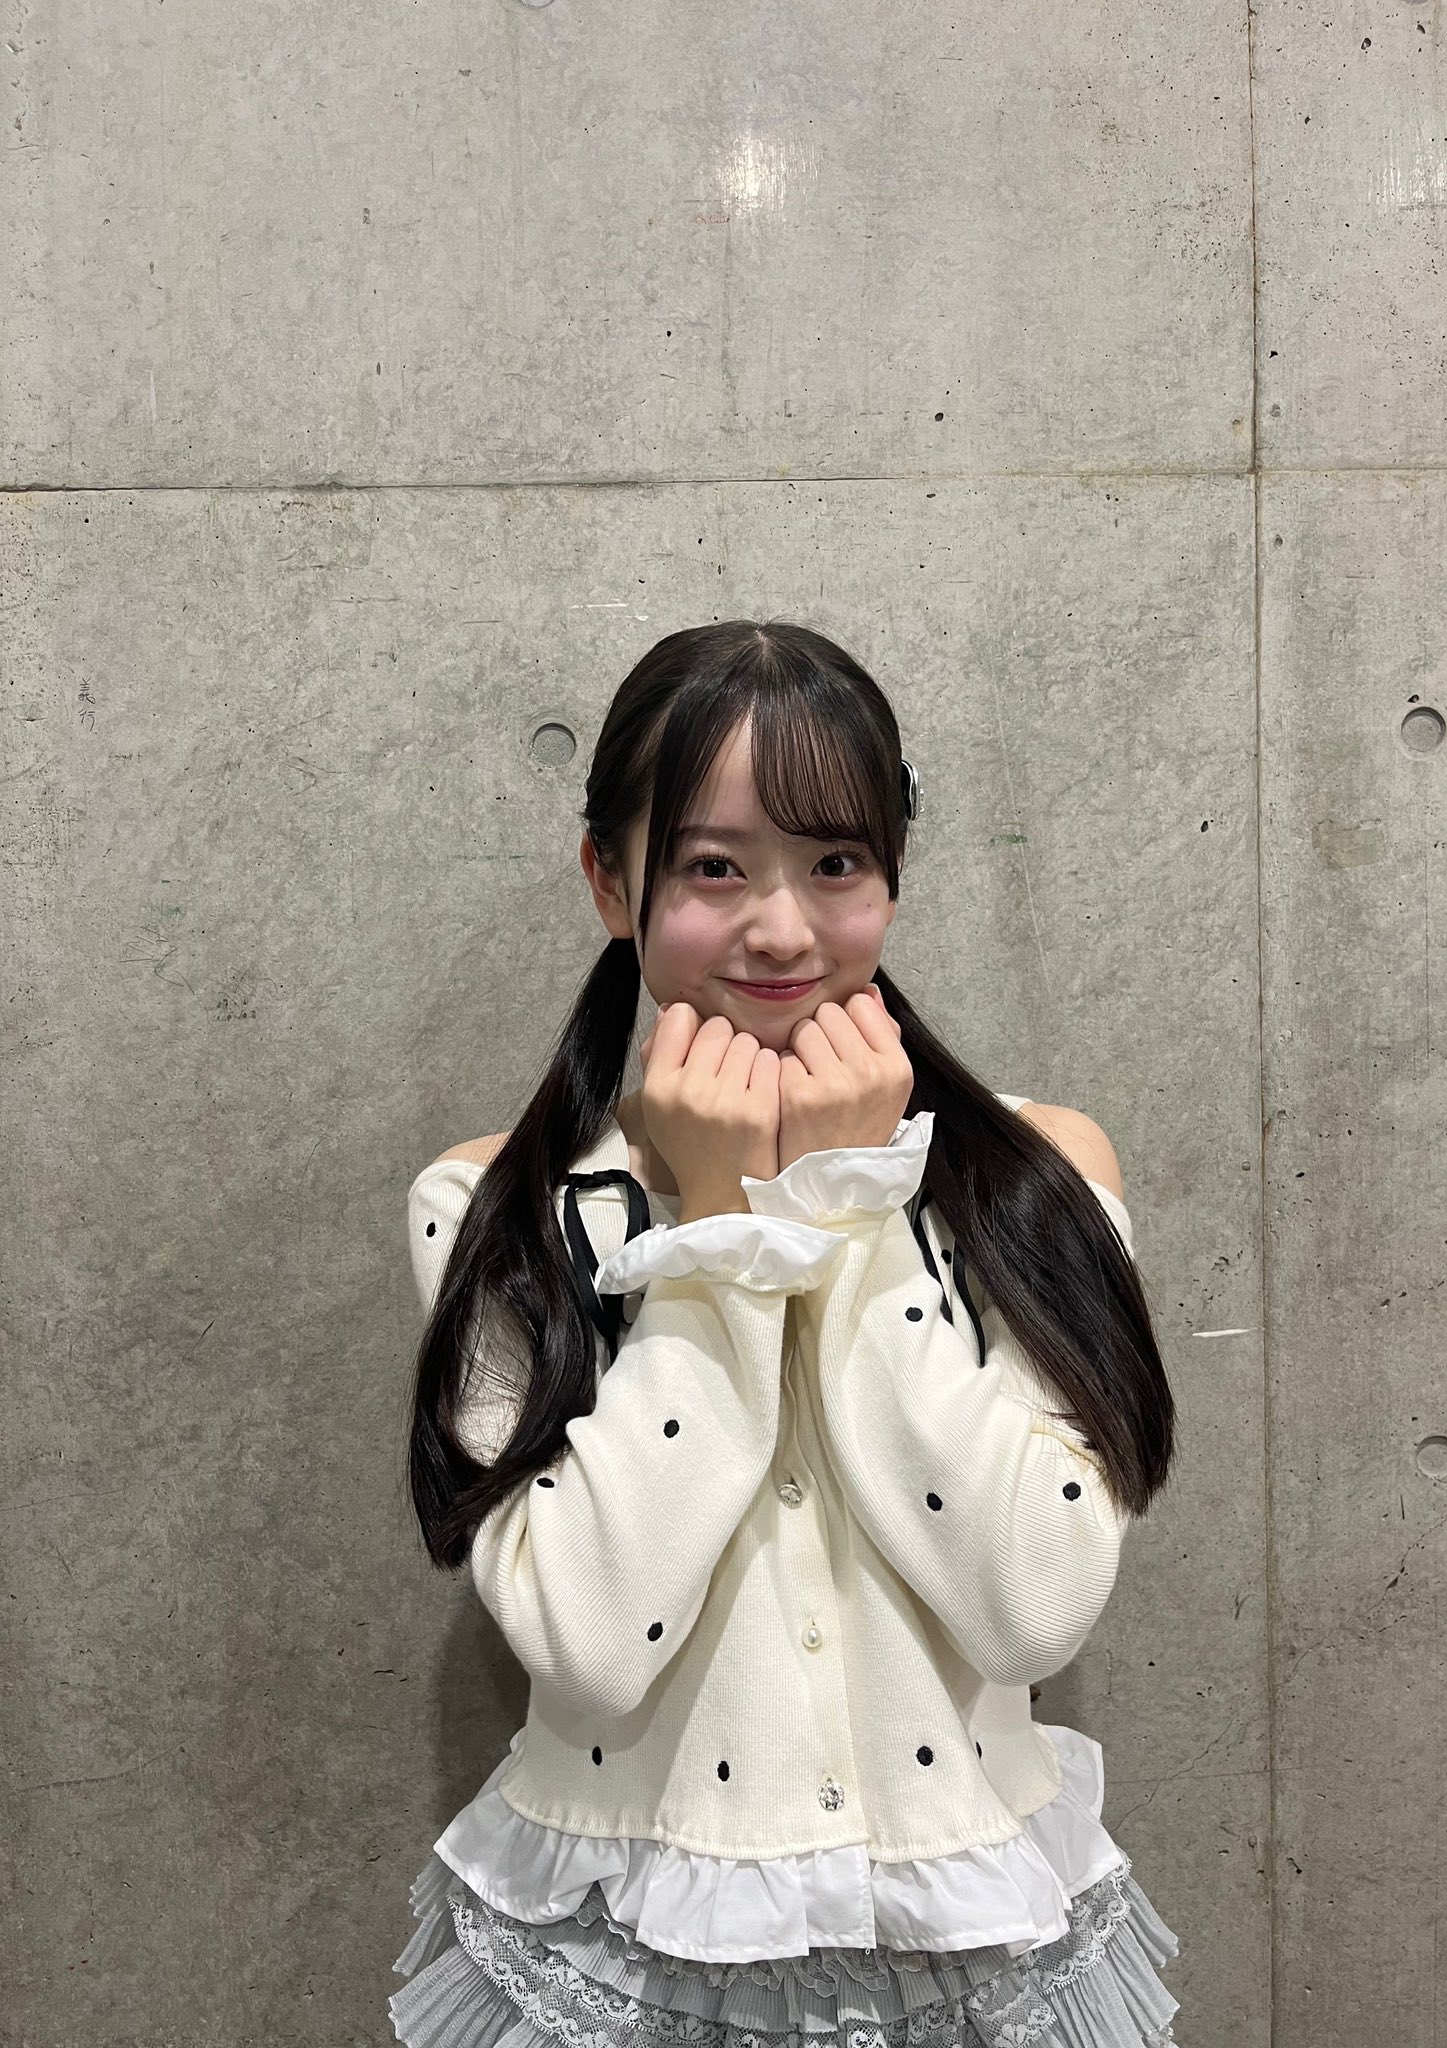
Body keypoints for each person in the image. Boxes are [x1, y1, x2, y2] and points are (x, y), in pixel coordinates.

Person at [389, 620, 1184, 2048]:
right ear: (608, 880)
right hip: (618, 1962)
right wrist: (719, 1239)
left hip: (978, 1956)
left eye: (837, 863)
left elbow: (1030, 1610)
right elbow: (592, 1645)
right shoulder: (494, 1207)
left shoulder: (1042, 1176)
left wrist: (847, 1205)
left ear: (892, 877)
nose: (781, 928)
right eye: (713, 866)